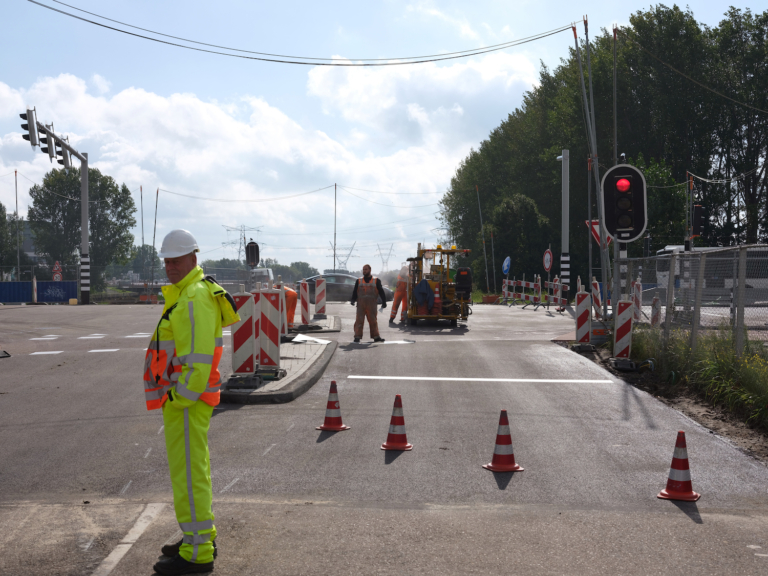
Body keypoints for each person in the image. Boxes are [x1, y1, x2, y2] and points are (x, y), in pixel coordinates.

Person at [143, 229, 240, 576]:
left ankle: (197, 552)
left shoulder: (194, 296)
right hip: (187, 401)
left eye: (176, 261)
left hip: (186, 401)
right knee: (193, 472)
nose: (170, 267)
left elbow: (197, 362)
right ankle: (197, 538)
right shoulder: (189, 292)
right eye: (167, 261)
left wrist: (178, 397)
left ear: (193, 259)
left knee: (188, 476)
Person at [350, 264, 387, 343]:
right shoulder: (359, 280)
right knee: (359, 320)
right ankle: (357, 336)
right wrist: (353, 300)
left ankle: (376, 336)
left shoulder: (376, 280)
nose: (364, 271)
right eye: (363, 269)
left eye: (366, 269)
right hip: (361, 304)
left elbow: (381, 292)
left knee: (373, 321)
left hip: (372, 304)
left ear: (370, 270)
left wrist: (384, 302)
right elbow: (355, 291)